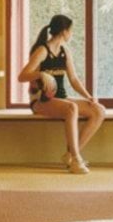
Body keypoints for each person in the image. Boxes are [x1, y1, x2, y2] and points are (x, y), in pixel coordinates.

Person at [17, 14, 104, 175]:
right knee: (71, 108)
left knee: (98, 110)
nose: (71, 34)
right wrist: (40, 74)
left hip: (60, 99)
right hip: (41, 101)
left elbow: (74, 79)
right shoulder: (42, 50)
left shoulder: (65, 52)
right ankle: (76, 160)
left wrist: (88, 96)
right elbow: (21, 76)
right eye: (70, 30)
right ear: (64, 31)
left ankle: (70, 155)